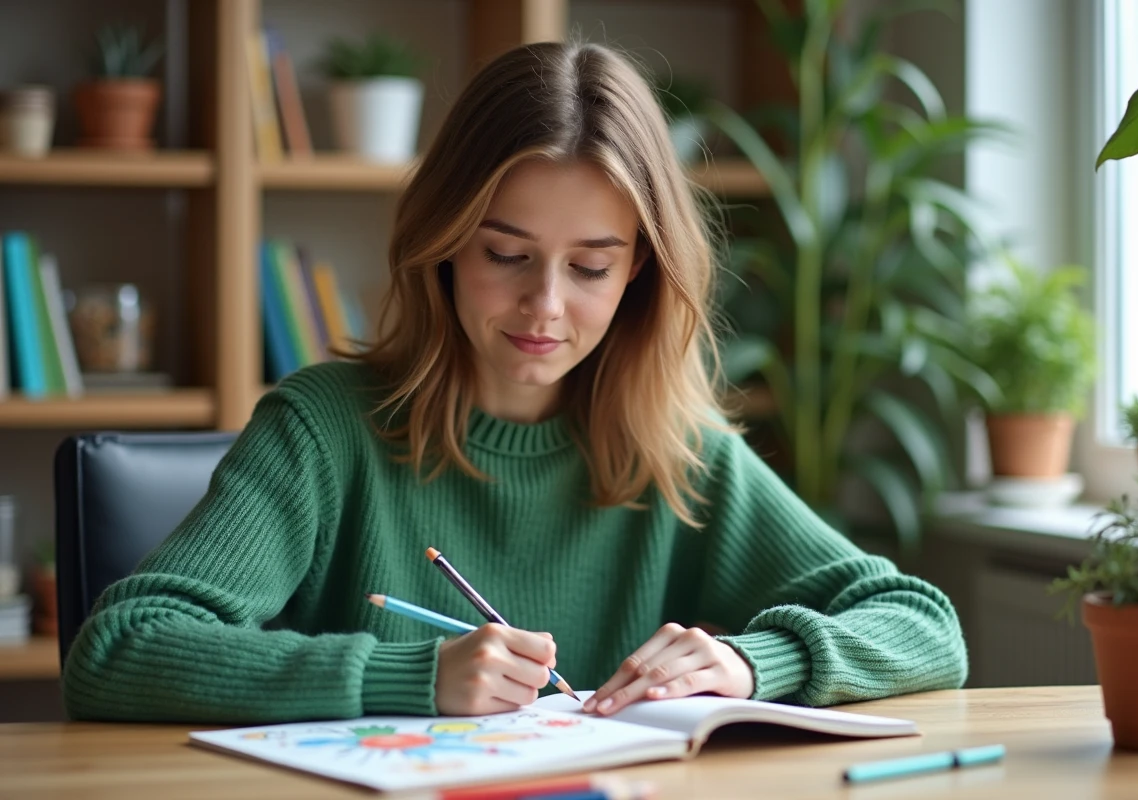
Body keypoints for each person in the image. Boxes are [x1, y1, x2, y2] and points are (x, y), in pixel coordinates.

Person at [62, 41, 967, 724]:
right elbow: (120, 648)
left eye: (592, 267)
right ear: (445, 243)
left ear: (640, 273)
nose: (545, 305)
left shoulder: (680, 455)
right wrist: (410, 676)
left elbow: (922, 623)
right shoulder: (322, 431)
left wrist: (753, 663)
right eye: (506, 255)